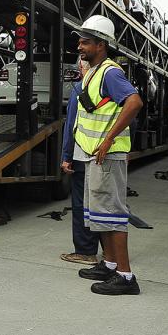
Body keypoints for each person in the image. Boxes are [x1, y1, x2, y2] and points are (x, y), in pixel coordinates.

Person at [72, 15, 143, 296]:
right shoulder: (94, 70)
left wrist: (108, 139)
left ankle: (126, 277)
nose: (80, 46)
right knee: (98, 213)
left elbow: (134, 102)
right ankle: (110, 264)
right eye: (80, 41)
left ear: (101, 45)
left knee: (112, 214)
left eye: (85, 42)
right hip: (94, 154)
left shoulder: (110, 73)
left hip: (107, 154)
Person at [59, 58, 100, 265]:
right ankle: (109, 253)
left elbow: (71, 126)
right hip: (102, 157)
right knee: (100, 204)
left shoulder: (80, 90)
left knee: (82, 205)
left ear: (82, 68)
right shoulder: (105, 88)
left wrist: (66, 156)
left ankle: (85, 251)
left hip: (82, 156)